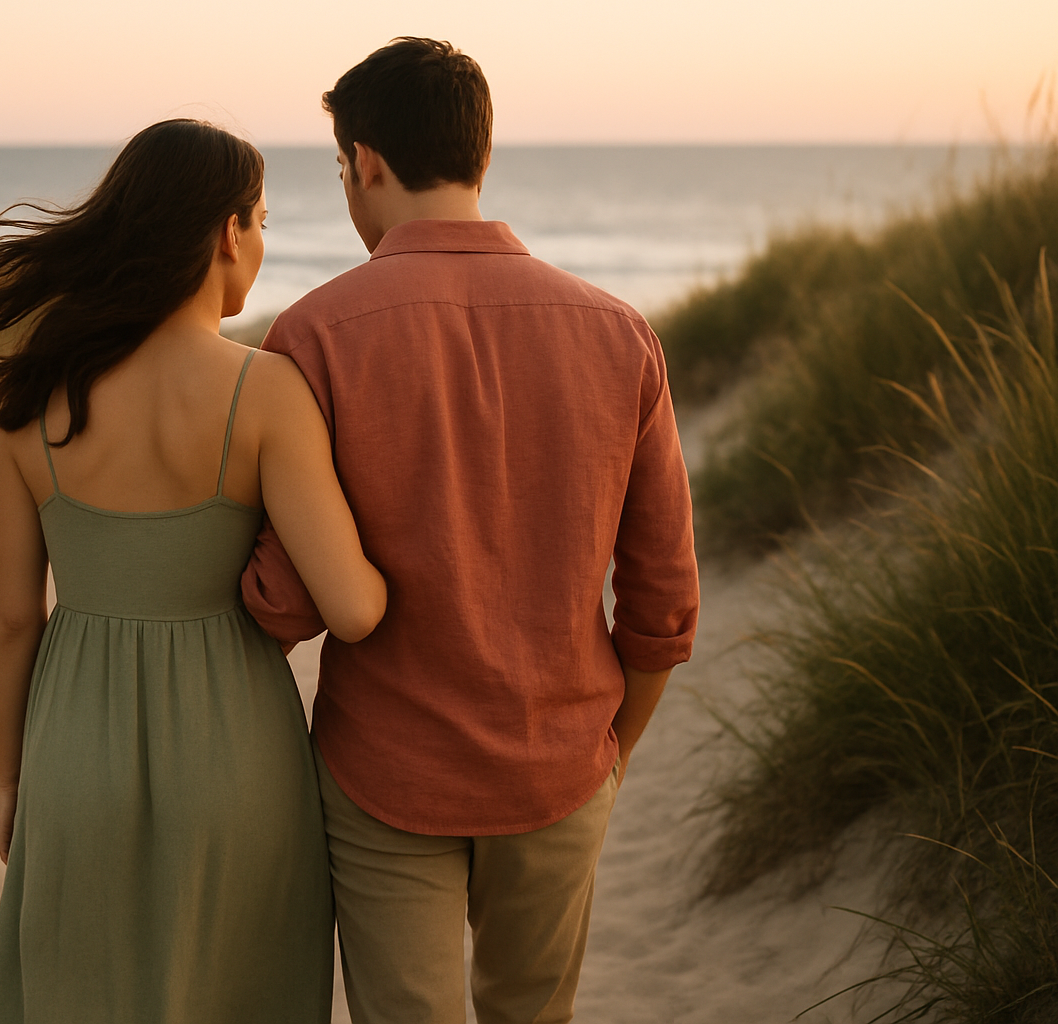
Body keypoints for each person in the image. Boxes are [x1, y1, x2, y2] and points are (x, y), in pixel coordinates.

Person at [240, 38, 700, 1024]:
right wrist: (610, 751)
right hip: (563, 760)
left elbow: (283, 600)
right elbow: (662, 604)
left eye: (340, 170)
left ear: (365, 160)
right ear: (478, 156)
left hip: (382, 770)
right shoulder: (621, 333)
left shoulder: (314, 334)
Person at [0, 119, 387, 1024]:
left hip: (70, 753)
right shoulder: (266, 391)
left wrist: (15, 780)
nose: (261, 241)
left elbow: (14, 622)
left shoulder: (31, 403)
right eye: (261, 219)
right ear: (226, 233)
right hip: (236, 759)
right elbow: (355, 610)